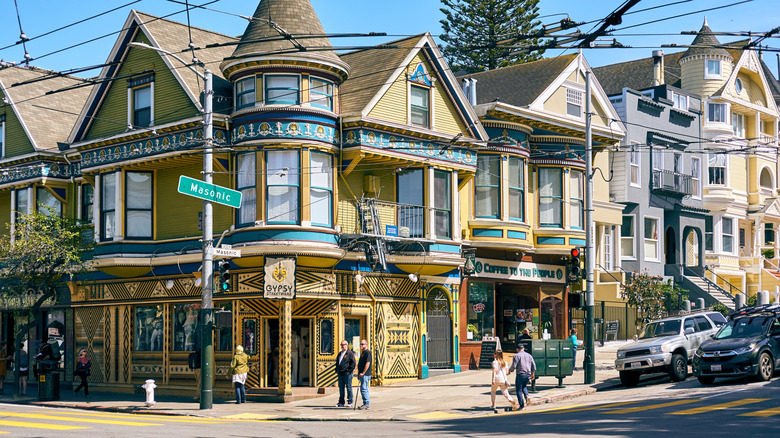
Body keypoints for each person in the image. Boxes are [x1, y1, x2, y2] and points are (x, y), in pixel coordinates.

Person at [508, 343, 536, 411]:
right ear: (523, 348)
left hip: (520, 374)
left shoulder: (516, 356)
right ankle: (527, 395)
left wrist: (509, 371)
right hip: (528, 374)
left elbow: (514, 366)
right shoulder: (529, 355)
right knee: (524, 386)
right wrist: (532, 374)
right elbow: (533, 366)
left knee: (518, 390)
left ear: (517, 349)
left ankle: (522, 406)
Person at [335, 339, 355, 408]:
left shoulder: (350, 353)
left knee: (349, 388)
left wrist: (350, 370)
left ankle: (350, 402)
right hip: (340, 374)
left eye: (343, 345)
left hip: (347, 373)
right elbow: (337, 362)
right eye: (341, 345)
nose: (342, 346)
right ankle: (341, 402)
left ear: (346, 345)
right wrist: (336, 370)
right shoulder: (340, 353)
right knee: (341, 388)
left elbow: (353, 363)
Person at [357, 339, 372, 410]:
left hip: (365, 374)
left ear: (367, 345)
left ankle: (366, 404)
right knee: (364, 388)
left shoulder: (367, 352)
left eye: (363, 344)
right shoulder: (363, 353)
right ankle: (366, 403)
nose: (361, 345)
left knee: (364, 388)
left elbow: (367, 363)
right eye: (361, 344)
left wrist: (363, 372)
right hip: (362, 374)